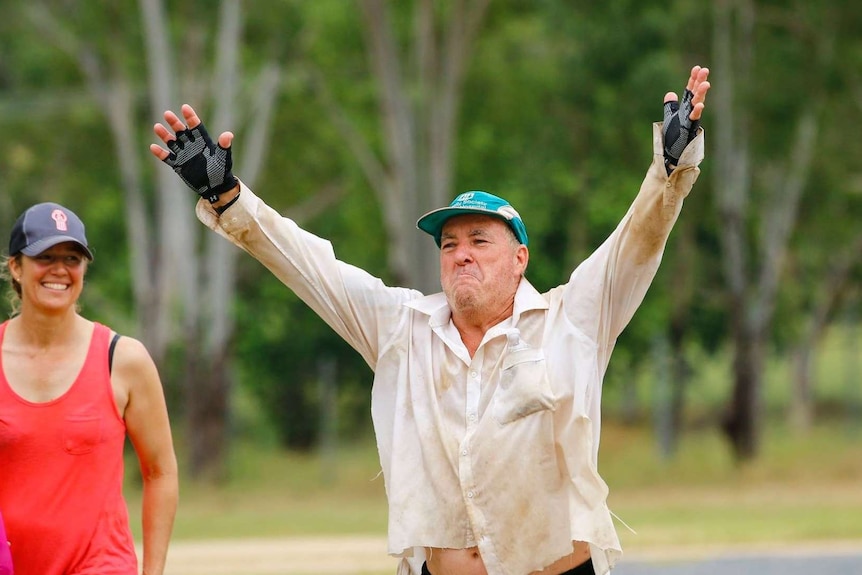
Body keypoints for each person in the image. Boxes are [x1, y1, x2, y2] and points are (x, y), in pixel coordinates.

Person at [150, 65, 710, 575]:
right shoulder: (402, 327)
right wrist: (228, 197)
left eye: (479, 240)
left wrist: (670, 168)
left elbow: (638, 240)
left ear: (520, 259)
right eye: (448, 244)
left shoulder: (573, 317)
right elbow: (309, 266)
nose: (460, 253)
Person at [0, 202, 179, 575]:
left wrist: (154, 571)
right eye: (44, 257)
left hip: (101, 564)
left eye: (72, 258)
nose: (60, 270)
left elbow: (160, 471)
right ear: (16, 267)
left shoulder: (123, 359)